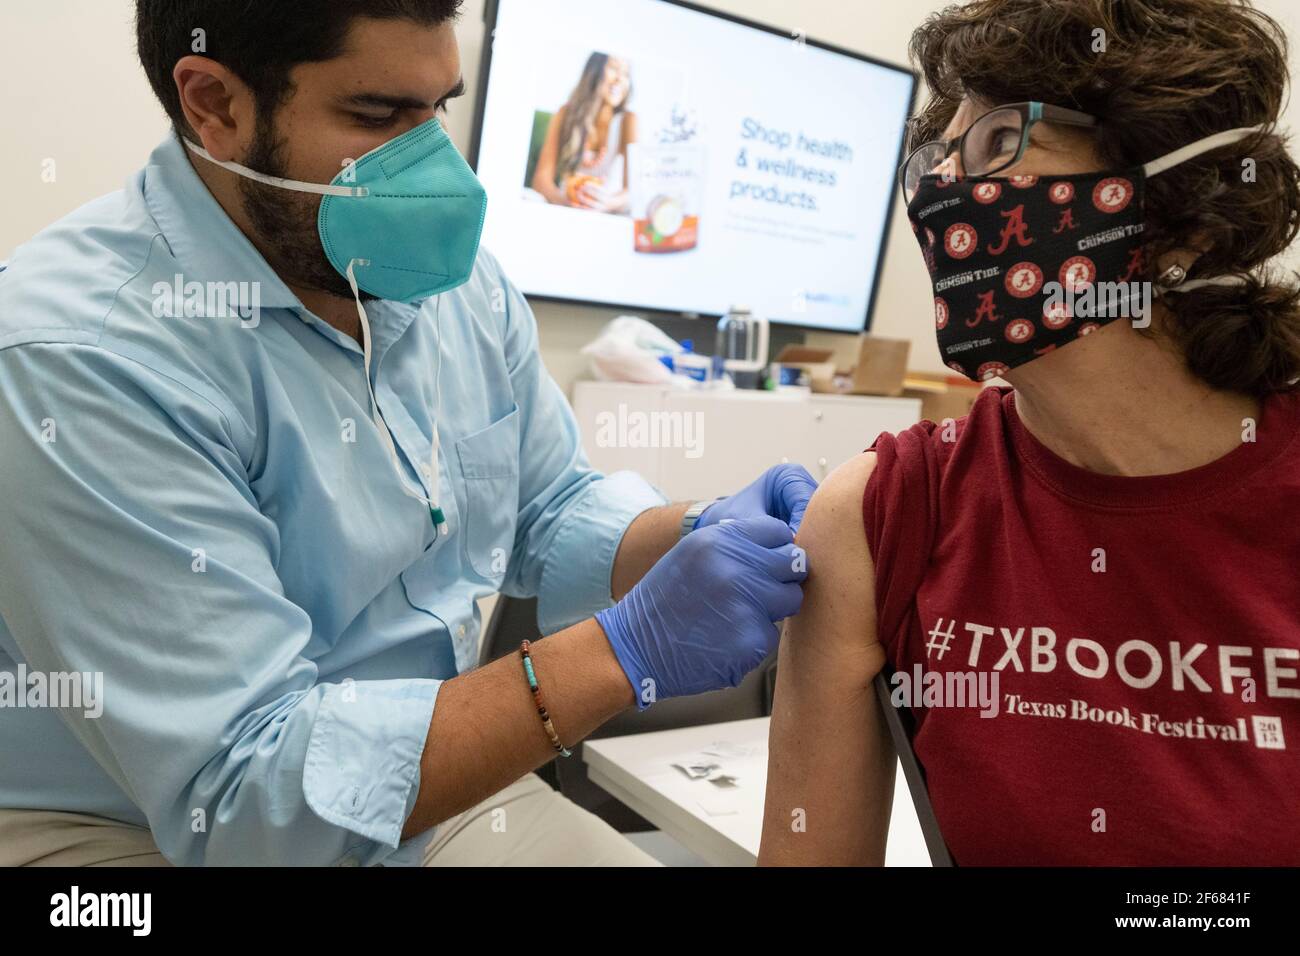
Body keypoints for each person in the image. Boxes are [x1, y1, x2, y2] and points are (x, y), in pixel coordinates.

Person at [0, 0, 815, 866]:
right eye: (379, 115)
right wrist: (623, 651)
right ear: (215, 104)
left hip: (427, 780)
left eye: (440, 108)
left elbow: (548, 508)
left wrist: (696, 535)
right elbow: (245, 794)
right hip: (149, 823)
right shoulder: (79, 356)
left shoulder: (451, 285)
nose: (435, 170)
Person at [760, 0, 1300, 866]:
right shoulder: (890, 510)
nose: (943, 192)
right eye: (938, 154)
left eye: (1000, 139)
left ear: (1184, 218)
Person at [531, 52, 635, 214]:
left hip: (607, 211)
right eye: (614, 69)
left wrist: (606, 203)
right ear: (595, 71)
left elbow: (633, 189)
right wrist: (566, 203)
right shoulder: (565, 114)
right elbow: (541, 179)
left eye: (626, 74)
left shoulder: (628, 120)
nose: (620, 79)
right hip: (566, 206)